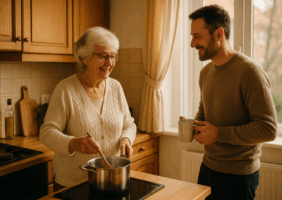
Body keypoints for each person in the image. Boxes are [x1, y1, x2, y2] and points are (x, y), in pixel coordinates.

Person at [180, 4, 277, 200]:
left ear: (218, 34)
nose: (192, 43)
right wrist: (193, 125)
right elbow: (204, 112)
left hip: (239, 177)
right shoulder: (205, 73)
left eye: (197, 36)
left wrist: (218, 134)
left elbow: (268, 128)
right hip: (207, 168)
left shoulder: (250, 72)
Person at [40, 26, 136, 191]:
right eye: (103, 56)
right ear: (84, 57)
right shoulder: (66, 89)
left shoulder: (116, 87)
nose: (110, 63)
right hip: (72, 184)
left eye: (113, 56)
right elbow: (47, 132)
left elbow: (129, 124)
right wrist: (73, 143)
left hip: (109, 181)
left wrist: (126, 139)